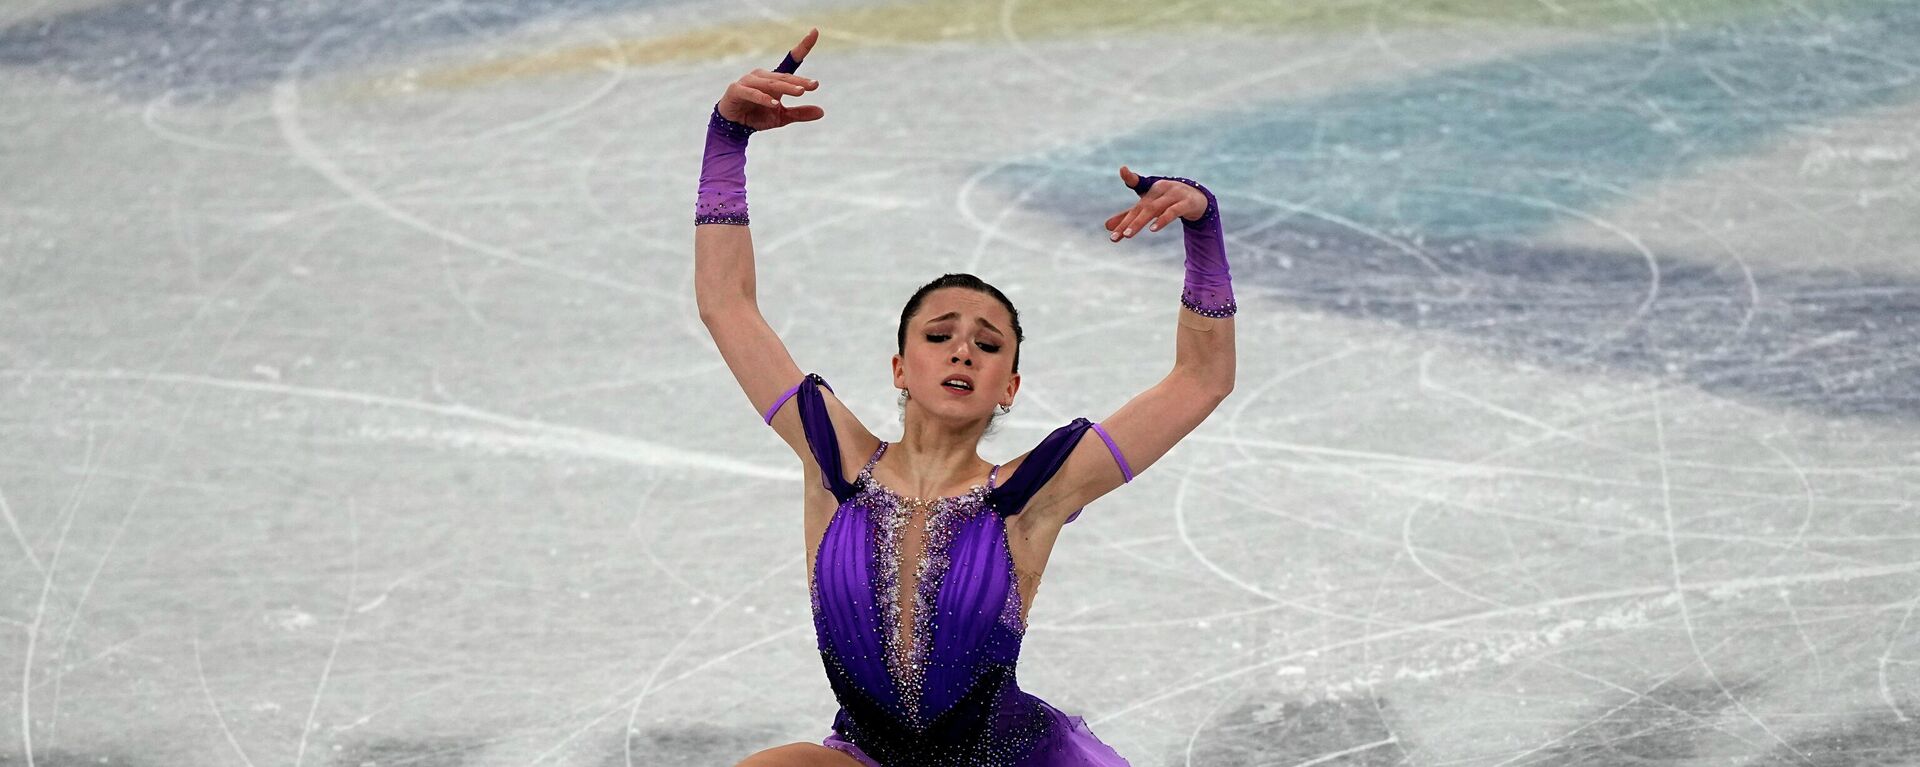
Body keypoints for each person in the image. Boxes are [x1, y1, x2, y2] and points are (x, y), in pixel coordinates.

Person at [695, 27, 1237, 767]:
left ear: (1008, 385)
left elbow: (1201, 381)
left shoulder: (1031, 495)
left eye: (987, 344)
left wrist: (1203, 230)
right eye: (940, 334)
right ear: (899, 367)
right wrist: (727, 142)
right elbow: (728, 304)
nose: (962, 349)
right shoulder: (835, 460)